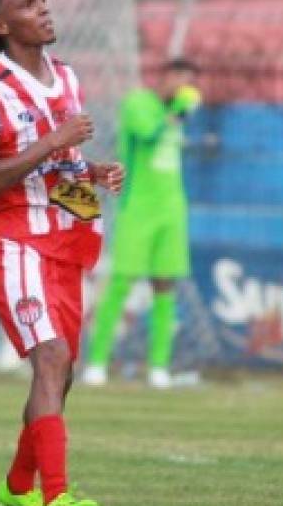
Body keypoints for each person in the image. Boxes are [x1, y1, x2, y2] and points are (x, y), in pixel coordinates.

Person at [0, 0, 124, 506]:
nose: (44, 9)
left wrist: (93, 172)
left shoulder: (68, 77)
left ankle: (16, 485)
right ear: (1, 25)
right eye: (29, 4)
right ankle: (55, 496)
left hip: (64, 240)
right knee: (50, 359)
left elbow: (61, 164)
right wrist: (55, 139)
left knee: (63, 371)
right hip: (13, 243)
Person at [81, 58, 200, 388]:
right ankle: (97, 362)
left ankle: (159, 366)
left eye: (188, 80)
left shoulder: (177, 107)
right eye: (178, 77)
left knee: (165, 285)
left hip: (172, 208)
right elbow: (148, 135)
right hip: (137, 207)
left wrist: (180, 109)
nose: (182, 85)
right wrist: (178, 111)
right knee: (121, 282)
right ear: (163, 76)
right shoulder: (138, 103)